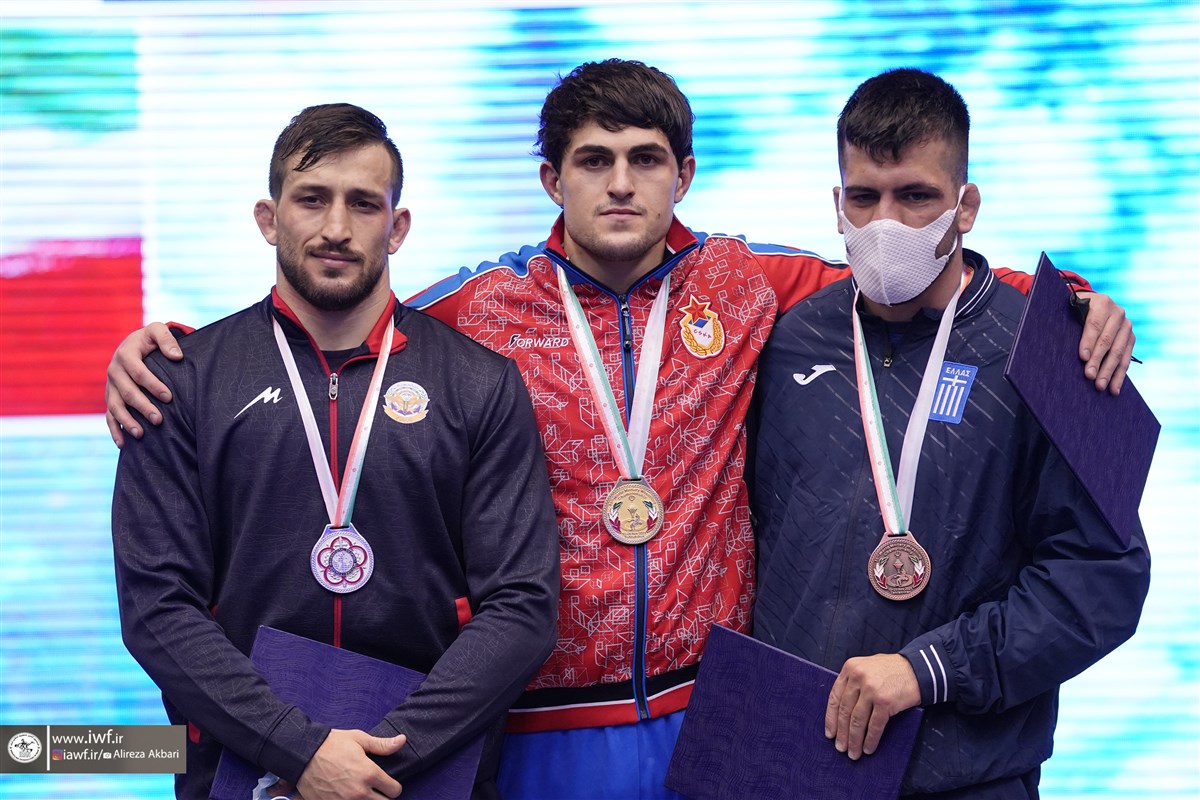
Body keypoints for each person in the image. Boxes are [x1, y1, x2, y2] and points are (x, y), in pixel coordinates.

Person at [103, 61, 1135, 799]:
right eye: (594, 160)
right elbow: (336, 323)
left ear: (684, 173)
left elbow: (916, 279)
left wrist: (1077, 306)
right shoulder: (474, 310)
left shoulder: (751, 282)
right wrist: (173, 355)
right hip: (537, 721)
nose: (622, 182)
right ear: (551, 180)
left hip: (717, 707)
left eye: (646, 158)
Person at [110, 103, 559, 800]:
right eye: (312, 199)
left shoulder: (479, 383)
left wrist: (381, 761)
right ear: (269, 218)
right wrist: (295, 750)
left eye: (363, 203)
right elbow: (156, 607)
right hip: (241, 773)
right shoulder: (180, 382)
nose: (337, 228)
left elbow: (522, 606)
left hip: (426, 776)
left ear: (397, 226)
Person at [750, 68, 1151, 799]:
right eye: (864, 198)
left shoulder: (1060, 349)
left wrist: (929, 669)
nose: (885, 225)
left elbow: (1105, 578)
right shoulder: (785, 340)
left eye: (916, 196)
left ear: (966, 206)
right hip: (792, 765)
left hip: (968, 775)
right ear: (837, 204)